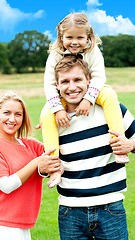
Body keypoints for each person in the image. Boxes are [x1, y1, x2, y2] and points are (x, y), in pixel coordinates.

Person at [42, 55, 135, 240]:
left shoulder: (113, 110)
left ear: (89, 81)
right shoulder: (54, 119)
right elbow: (47, 162)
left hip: (111, 208)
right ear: (57, 86)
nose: (72, 87)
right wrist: (45, 169)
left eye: (77, 79)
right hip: (70, 212)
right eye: (65, 81)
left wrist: (130, 144)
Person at [42, 12, 129, 187]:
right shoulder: (55, 54)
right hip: (63, 96)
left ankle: (118, 144)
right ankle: (54, 167)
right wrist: (58, 109)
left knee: (109, 94)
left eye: (80, 37)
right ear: (61, 36)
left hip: (93, 90)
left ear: (88, 36)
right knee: (46, 114)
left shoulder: (93, 51)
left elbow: (98, 77)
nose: (74, 42)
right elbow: (50, 84)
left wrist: (88, 100)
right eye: (69, 37)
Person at [0, 91, 60, 240]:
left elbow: (58, 153)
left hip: (23, 226)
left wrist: (49, 124)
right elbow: (6, 185)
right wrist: (36, 162)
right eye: (7, 113)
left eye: (18, 114)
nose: (12, 119)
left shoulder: (32, 146)